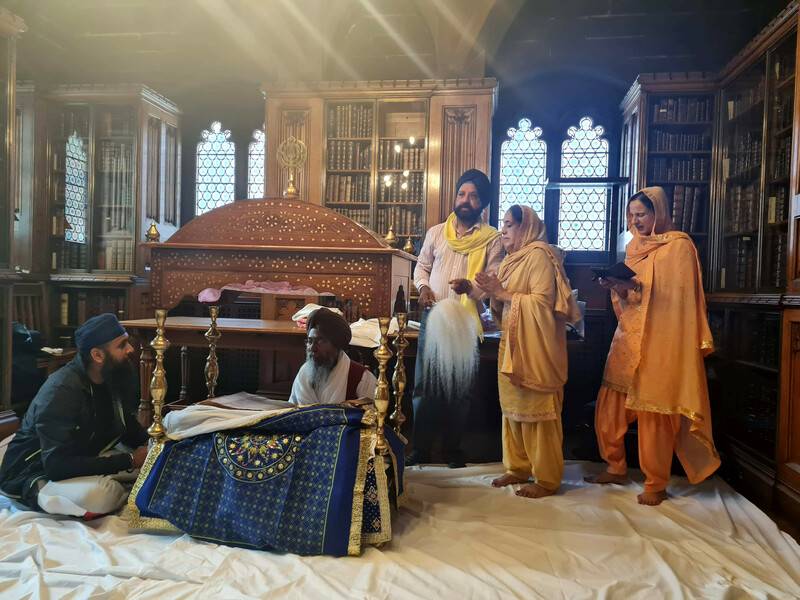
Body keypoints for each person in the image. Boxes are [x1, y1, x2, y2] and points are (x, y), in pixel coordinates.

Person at [586, 187, 720, 505]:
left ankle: (655, 483)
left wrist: (634, 284)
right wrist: (619, 287)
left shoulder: (679, 246)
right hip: (628, 339)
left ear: (657, 213)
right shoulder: (634, 249)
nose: (635, 221)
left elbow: (678, 299)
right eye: (631, 215)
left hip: (660, 343)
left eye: (641, 214)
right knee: (609, 405)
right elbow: (633, 300)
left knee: (654, 414)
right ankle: (615, 466)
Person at [476, 205, 581, 498]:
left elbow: (544, 304)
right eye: (503, 224)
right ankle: (518, 467)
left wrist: (502, 293)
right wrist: (495, 294)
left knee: (538, 411)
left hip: (538, 347)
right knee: (513, 409)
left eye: (510, 225)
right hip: (513, 343)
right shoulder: (511, 261)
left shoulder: (539, 255)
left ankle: (546, 479)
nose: (504, 231)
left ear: (526, 228)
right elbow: (504, 304)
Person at [0, 313, 149, 517]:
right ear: (98, 355)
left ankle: (127, 485)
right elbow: (56, 465)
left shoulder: (109, 375)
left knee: (155, 466)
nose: (131, 349)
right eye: (122, 345)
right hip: (35, 473)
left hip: (85, 455)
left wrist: (152, 447)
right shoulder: (60, 391)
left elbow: (126, 425)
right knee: (99, 496)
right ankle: (124, 489)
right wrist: (130, 461)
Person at [406, 168, 504, 468]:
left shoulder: (492, 239)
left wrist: (470, 287)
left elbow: (494, 279)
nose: (465, 200)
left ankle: (452, 450)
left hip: (464, 319)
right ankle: (421, 449)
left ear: (482, 203)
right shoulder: (437, 232)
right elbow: (421, 268)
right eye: (462, 193)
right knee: (425, 386)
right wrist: (423, 289)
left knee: (460, 389)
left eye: (473, 196)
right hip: (433, 317)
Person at [289, 307, 377, 405]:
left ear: (336, 344)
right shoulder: (303, 374)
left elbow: (371, 417)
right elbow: (291, 411)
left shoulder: (362, 378)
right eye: (310, 341)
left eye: (320, 341)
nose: (312, 348)